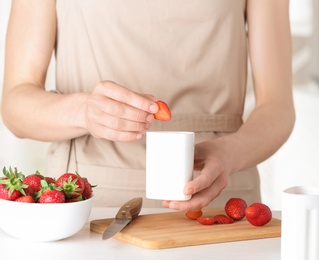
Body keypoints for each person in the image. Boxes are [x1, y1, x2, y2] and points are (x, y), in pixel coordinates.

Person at [1, 0, 295, 210]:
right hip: (90, 197)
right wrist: (84, 111)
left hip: (221, 191)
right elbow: (15, 104)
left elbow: (278, 106)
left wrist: (231, 154)